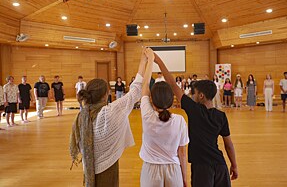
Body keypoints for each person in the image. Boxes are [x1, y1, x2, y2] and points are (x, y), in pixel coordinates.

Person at [154, 53, 238, 187]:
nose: (192, 96)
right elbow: (229, 144)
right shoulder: (220, 116)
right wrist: (234, 165)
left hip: (202, 167)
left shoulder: (194, 110)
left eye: (194, 93)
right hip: (220, 165)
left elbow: (172, 84)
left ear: (201, 96)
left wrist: (158, 61)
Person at [70, 48, 147, 187]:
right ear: (105, 95)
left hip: (88, 169)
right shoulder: (108, 113)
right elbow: (135, 92)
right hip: (107, 168)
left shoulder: (81, 116)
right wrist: (144, 60)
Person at [139, 49, 189, 187]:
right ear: (171, 100)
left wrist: (150, 60)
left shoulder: (147, 115)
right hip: (174, 170)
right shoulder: (179, 120)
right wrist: (184, 178)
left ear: (151, 100)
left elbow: (145, 85)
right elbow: (183, 154)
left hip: (151, 170)